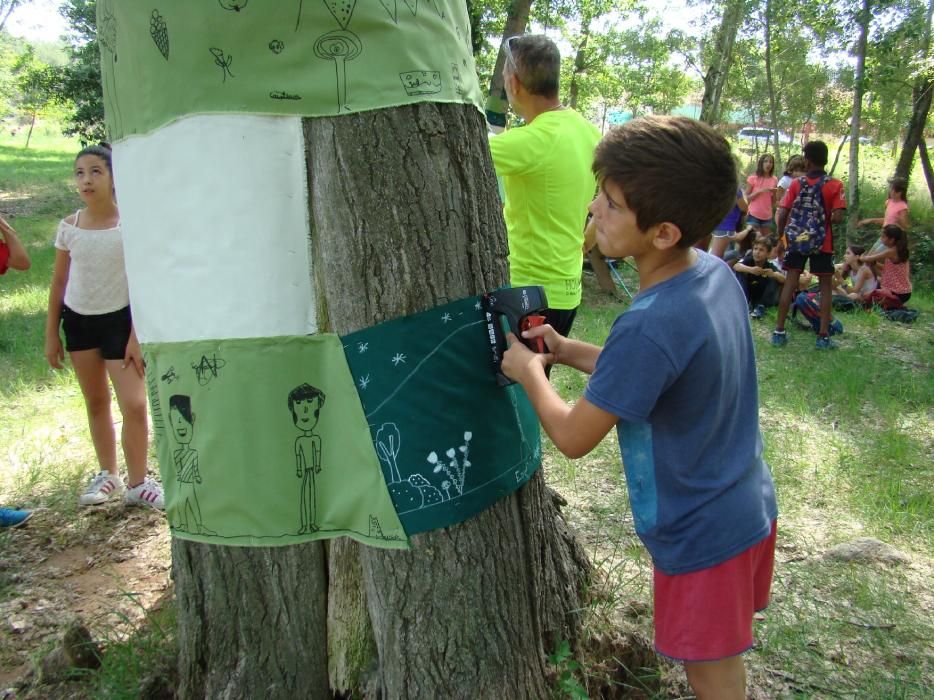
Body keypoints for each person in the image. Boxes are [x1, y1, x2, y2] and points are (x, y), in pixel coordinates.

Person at [501, 116, 777, 700]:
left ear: (664, 233)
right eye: (599, 194)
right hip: (745, 502)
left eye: (612, 204)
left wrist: (529, 373)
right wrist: (569, 350)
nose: (594, 210)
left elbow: (575, 437)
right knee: (719, 659)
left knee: (711, 672)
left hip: (700, 531)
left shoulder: (649, 324)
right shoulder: (714, 276)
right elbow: (661, 374)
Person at [44, 144, 164, 509]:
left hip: (120, 322)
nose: (86, 180)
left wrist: (136, 336)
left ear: (114, 177)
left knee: (134, 403)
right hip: (79, 322)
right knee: (95, 401)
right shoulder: (70, 227)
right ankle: (107, 474)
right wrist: (52, 333)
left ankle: (139, 482)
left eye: (96, 171)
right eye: (80, 173)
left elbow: (145, 283)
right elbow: (59, 283)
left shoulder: (130, 224)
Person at [488, 34, 601, 338]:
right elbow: (619, 191)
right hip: (566, 292)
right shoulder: (588, 131)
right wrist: (586, 242)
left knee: (519, 383)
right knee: (535, 381)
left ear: (513, 83)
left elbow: (458, 152)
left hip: (526, 294)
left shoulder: (531, 142)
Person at [771, 141, 846, 349]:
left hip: (796, 239)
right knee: (825, 286)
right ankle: (823, 336)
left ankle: (779, 330)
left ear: (807, 160)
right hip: (823, 241)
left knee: (790, 282)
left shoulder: (796, 183)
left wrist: (782, 239)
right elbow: (838, 216)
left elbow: (783, 212)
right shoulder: (835, 185)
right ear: (825, 159)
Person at [858, 225, 912, 307]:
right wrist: (874, 264)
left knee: (864, 298)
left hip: (897, 293)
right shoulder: (897, 250)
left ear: (891, 240)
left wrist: (861, 257)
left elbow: (868, 258)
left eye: (883, 237)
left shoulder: (891, 251)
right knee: (866, 297)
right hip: (903, 292)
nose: (880, 239)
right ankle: (894, 303)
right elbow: (888, 269)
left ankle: (895, 303)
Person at [733, 236, 786, 318]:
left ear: (768, 254)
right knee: (739, 273)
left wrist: (773, 274)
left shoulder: (769, 265)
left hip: (762, 296)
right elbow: (736, 266)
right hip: (749, 292)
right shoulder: (749, 260)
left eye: (761, 250)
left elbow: (783, 279)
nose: (757, 252)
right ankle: (744, 303)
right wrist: (750, 270)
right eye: (755, 249)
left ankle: (760, 306)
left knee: (774, 278)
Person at [709, 188, 750, 259]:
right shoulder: (734, 188)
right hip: (726, 227)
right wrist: (744, 196)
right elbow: (744, 208)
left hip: (717, 223)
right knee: (716, 258)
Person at [743, 153, 778, 238]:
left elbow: (773, 201)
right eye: (765, 161)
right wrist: (759, 191)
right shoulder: (753, 178)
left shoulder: (774, 179)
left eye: (771, 162)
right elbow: (745, 198)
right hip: (753, 214)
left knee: (765, 242)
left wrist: (775, 193)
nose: (768, 164)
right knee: (754, 240)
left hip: (767, 216)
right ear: (761, 163)